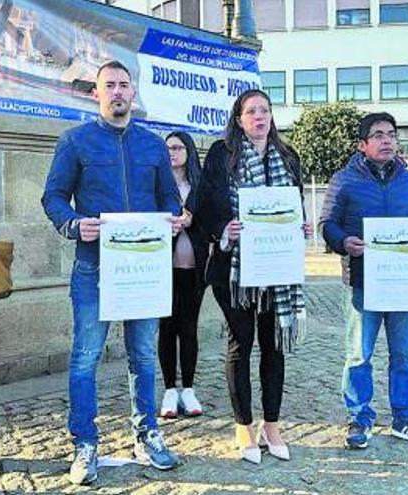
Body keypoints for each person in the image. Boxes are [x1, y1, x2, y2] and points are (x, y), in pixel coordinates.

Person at [41, 60, 186, 486]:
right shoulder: (75, 141)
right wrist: (72, 223)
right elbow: (53, 196)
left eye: (125, 85)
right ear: (96, 93)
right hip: (94, 267)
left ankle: (146, 434)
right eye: (110, 86)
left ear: (133, 92)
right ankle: (84, 443)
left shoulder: (152, 144)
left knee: (143, 355)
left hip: (144, 267)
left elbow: (168, 198)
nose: (118, 92)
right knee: (85, 358)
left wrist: (174, 218)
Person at [194, 88, 312, 465]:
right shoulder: (220, 154)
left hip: (277, 269)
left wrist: (301, 228)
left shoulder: (288, 157)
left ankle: (272, 425)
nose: (259, 117)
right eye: (251, 112)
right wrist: (222, 230)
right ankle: (243, 425)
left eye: (265, 110)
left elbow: (293, 204)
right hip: (234, 270)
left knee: (274, 347)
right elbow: (204, 204)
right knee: (239, 346)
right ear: (239, 118)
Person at [319, 112, 408, 450]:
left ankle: (406, 417)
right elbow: (327, 224)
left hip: (405, 283)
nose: (387, 140)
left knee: (405, 354)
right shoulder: (344, 180)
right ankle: (359, 416)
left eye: (391, 134)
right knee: (359, 354)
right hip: (362, 282)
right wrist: (343, 242)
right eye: (378, 135)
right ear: (362, 145)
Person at [158, 131, 208, 419]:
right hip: (164, 268)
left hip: (194, 268)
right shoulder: (159, 186)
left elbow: (212, 221)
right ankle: (169, 389)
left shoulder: (200, 186)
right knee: (167, 327)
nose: (172, 153)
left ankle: (187, 388)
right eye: (167, 149)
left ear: (188, 151)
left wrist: (193, 219)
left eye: (177, 148)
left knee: (189, 328)